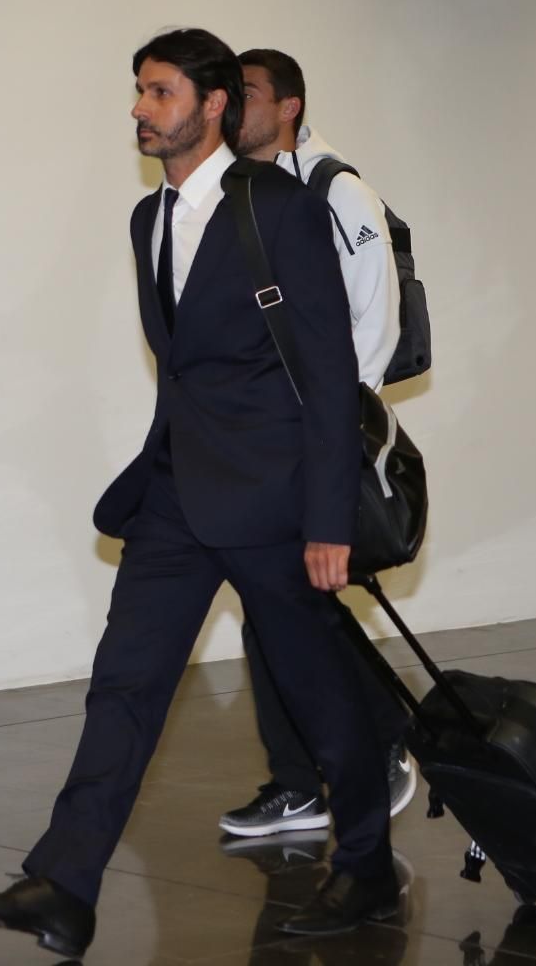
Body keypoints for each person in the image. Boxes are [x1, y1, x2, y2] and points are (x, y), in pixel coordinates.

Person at [0, 29, 398, 959]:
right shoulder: (149, 220)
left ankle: (368, 863)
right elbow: (184, 369)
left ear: (212, 103)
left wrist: (327, 518)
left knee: (319, 697)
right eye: (138, 92)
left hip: (274, 503)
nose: (140, 109)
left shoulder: (279, 206)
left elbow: (328, 365)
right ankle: (63, 885)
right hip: (178, 498)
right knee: (125, 684)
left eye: (157, 92)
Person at [218, 47, 414, 841]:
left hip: (318, 435)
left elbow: (378, 313)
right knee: (281, 606)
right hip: (272, 438)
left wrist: (332, 425)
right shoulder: (246, 192)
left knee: (290, 606)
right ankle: (309, 775)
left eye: (249, 94)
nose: (234, 107)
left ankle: (377, 745)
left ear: (289, 106)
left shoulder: (337, 189)